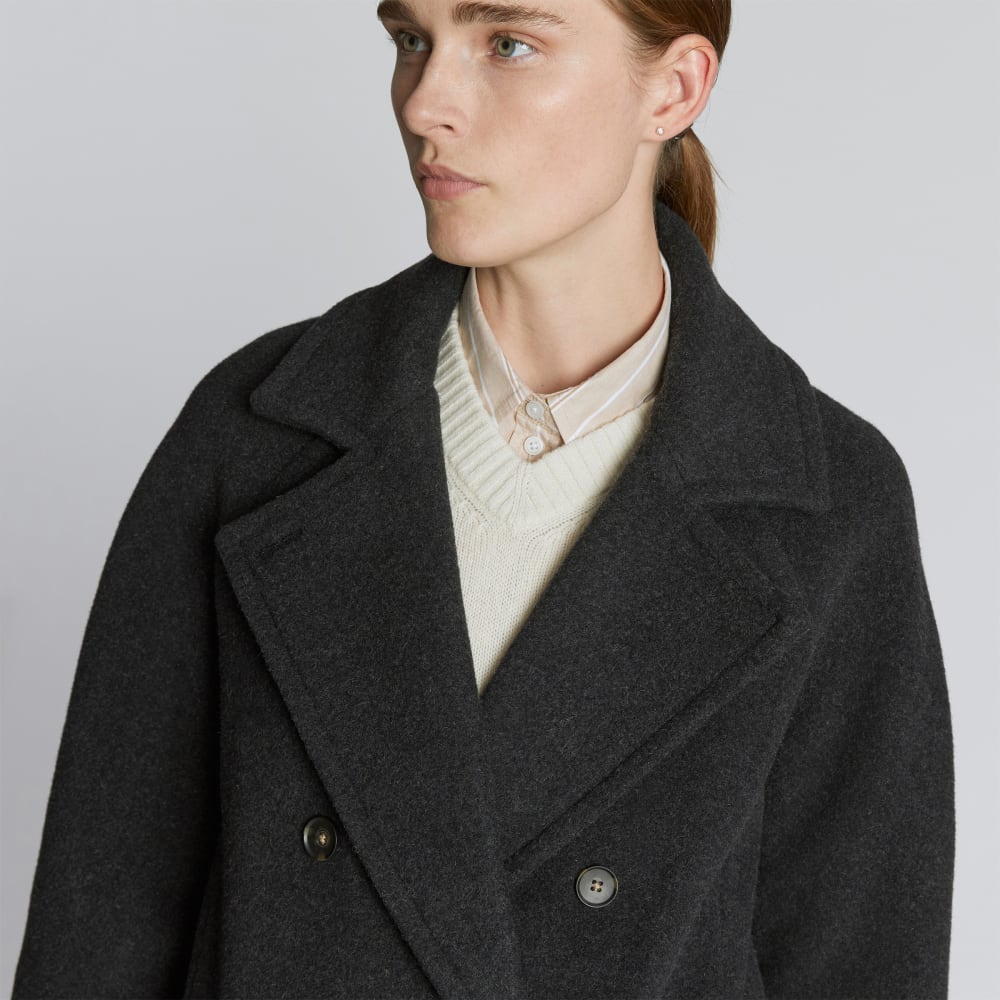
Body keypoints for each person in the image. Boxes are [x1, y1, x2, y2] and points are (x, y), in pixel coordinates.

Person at [13, 0, 955, 997]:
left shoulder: (827, 504)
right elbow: (99, 926)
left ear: (673, 89)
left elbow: (861, 964)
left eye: (507, 44)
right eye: (410, 40)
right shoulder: (255, 435)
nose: (425, 104)